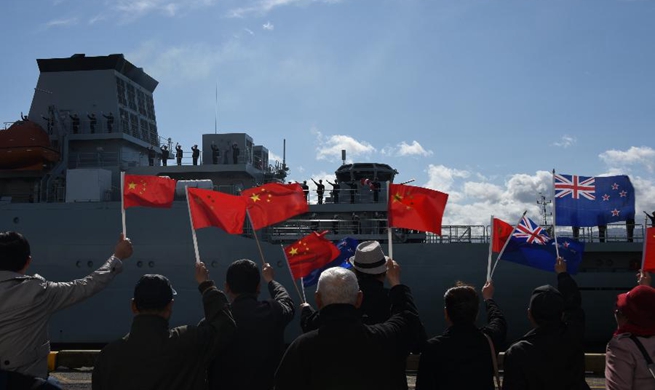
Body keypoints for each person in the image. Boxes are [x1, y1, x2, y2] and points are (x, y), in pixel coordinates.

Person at [0, 231, 133, 385]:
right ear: (28, 261)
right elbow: (87, 285)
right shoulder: (39, 292)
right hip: (27, 381)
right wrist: (117, 258)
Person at [275, 260, 422, 390]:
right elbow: (407, 319)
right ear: (359, 299)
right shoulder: (385, 338)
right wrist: (396, 284)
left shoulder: (300, 348)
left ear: (318, 301)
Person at [92, 263, 236, 390]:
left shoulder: (108, 356)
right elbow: (225, 326)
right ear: (170, 306)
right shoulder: (189, 341)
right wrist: (207, 286)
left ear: (133, 306)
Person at [503, 257, 590, 390]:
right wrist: (563, 275)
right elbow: (574, 307)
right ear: (561, 314)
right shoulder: (573, 337)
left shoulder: (517, 352)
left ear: (529, 314)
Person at [207, 260, 294, 390]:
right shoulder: (272, 311)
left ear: (226, 287)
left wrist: (205, 285)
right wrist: (271, 280)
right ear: (258, 287)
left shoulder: (218, 320)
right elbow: (286, 302)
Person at [415, 280, 507, 390]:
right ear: (476, 313)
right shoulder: (488, 340)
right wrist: (488, 299)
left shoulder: (432, 348)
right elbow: (498, 321)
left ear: (446, 313)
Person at [605, 270, 655, 390]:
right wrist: (644, 290)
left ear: (627, 317)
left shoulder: (621, 347)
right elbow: (647, 311)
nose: (616, 313)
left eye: (620, 311)